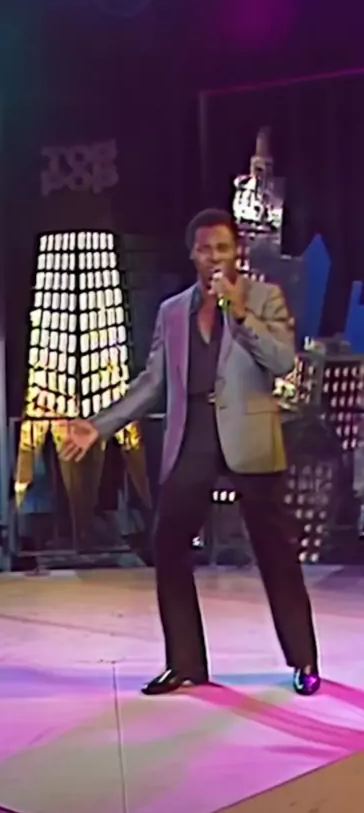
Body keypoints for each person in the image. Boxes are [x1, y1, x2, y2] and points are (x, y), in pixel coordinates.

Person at [61, 208, 320, 697]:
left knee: (275, 552)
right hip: (192, 435)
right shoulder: (173, 311)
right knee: (168, 543)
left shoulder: (263, 298)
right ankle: (184, 663)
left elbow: (283, 361)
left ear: (237, 251)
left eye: (222, 248)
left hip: (249, 438)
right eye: (205, 249)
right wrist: (98, 426)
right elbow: (152, 382)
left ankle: (303, 660)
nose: (214, 257)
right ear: (192, 255)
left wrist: (239, 313)